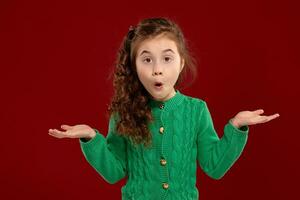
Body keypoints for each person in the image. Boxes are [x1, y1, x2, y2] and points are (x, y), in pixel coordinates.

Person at [48, 17, 280, 200]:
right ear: (134, 66)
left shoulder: (196, 110)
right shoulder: (123, 113)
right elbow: (114, 172)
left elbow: (214, 167)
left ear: (181, 63)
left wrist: (236, 128)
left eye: (167, 59)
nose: (157, 69)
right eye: (147, 60)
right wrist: (91, 138)